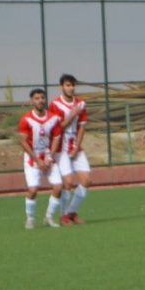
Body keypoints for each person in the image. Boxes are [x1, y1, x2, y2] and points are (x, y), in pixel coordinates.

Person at [19, 89, 64, 228]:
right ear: (32, 101)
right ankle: (30, 218)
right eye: (37, 98)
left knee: (58, 187)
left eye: (42, 98)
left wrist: (50, 157)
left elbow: (56, 138)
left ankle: (49, 217)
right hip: (33, 159)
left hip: (48, 157)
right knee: (33, 190)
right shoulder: (26, 119)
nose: (40, 100)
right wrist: (37, 160)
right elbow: (23, 142)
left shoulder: (54, 118)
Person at [50, 74, 91, 226]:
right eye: (67, 85)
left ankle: (72, 212)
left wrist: (76, 147)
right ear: (61, 86)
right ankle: (63, 216)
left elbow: (82, 127)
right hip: (61, 147)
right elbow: (57, 127)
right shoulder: (55, 104)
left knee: (87, 180)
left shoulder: (81, 104)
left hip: (75, 146)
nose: (71, 88)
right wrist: (72, 115)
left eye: (72, 85)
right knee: (68, 182)